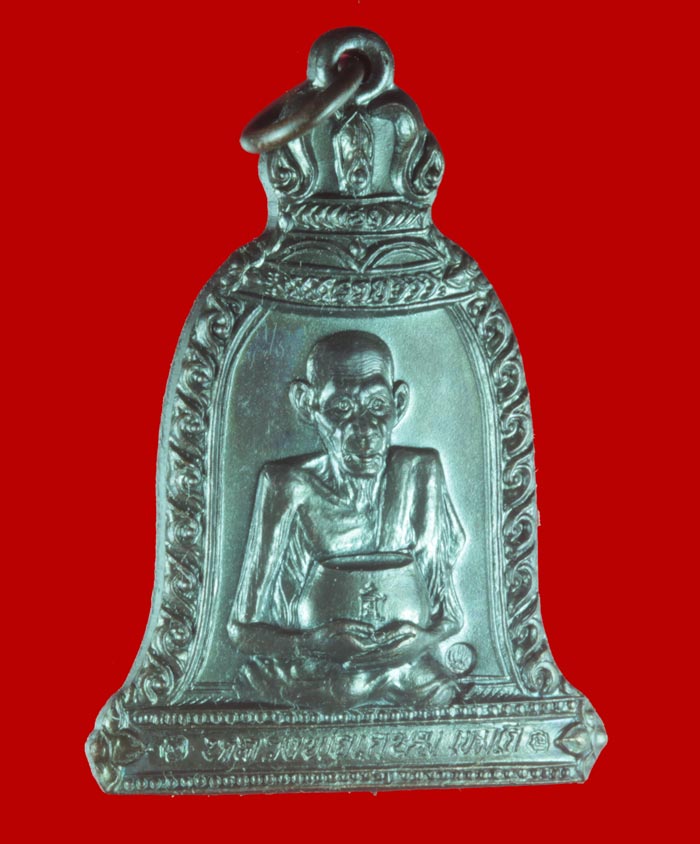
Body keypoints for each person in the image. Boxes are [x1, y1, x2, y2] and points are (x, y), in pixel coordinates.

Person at [228, 330, 467, 708]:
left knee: (439, 691)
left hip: (406, 671)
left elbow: (450, 617)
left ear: (398, 403)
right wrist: (311, 644)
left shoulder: (418, 473)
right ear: (307, 405)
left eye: (377, 406)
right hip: (318, 671)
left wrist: (421, 641)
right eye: (340, 409)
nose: (364, 430)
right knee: (329, 691)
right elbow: (241, 631)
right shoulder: (288, 486)